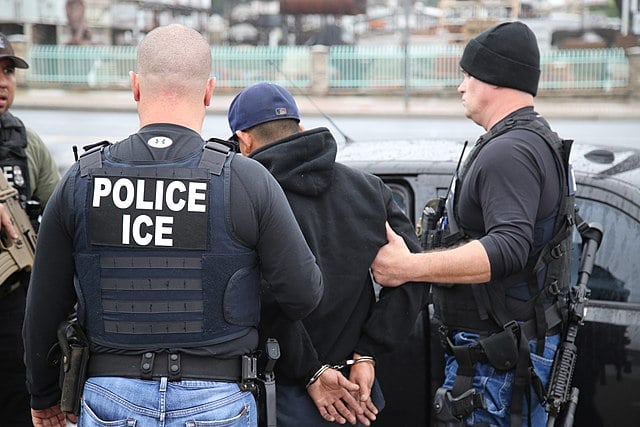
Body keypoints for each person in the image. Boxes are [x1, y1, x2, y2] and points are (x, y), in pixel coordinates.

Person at [22, 24, 323, 427]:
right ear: (209, 91)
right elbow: (303, 294)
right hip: (219, 398)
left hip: (109, 395)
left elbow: (42, 307)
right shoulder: (247, 180)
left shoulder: (82, 179)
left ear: (135, 86)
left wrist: (43, 396)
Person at [371, 21, 575, 426]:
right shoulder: (533, 140)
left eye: (468, 75)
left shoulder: (510, 153)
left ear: (496, 79)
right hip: (504, 356)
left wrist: (407, 267)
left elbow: (509, 248)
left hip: (494, 366)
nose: (461, 86)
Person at [227, 82, 428, 426]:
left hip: (282, 397)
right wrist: (368, 353)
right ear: (300, 129)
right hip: (356, 397)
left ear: (244, 141)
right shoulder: (368, 190)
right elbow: (415, 275)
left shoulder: (251, 199)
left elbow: (260, 301)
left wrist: (311, 372)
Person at [0, 32, 61, 426]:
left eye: (8, 71)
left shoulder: (26, 144)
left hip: (13, 301)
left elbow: (61, 222)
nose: (3, 82)